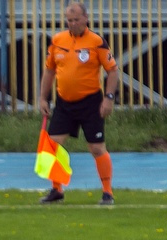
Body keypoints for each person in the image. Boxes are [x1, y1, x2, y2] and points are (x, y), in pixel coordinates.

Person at [37, 2, 120, 206]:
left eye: (76, 19)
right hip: (64, 102)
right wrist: (42, 98)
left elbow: (112, 71)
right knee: (52, 144)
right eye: (69, 20)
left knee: (96, 148)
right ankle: (57, 189)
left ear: (86, 19)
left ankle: (107, 192)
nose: (72, 23)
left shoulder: (97, 42)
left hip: (91, 102)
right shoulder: (57, 40)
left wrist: (109, 98)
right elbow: (49, 70)